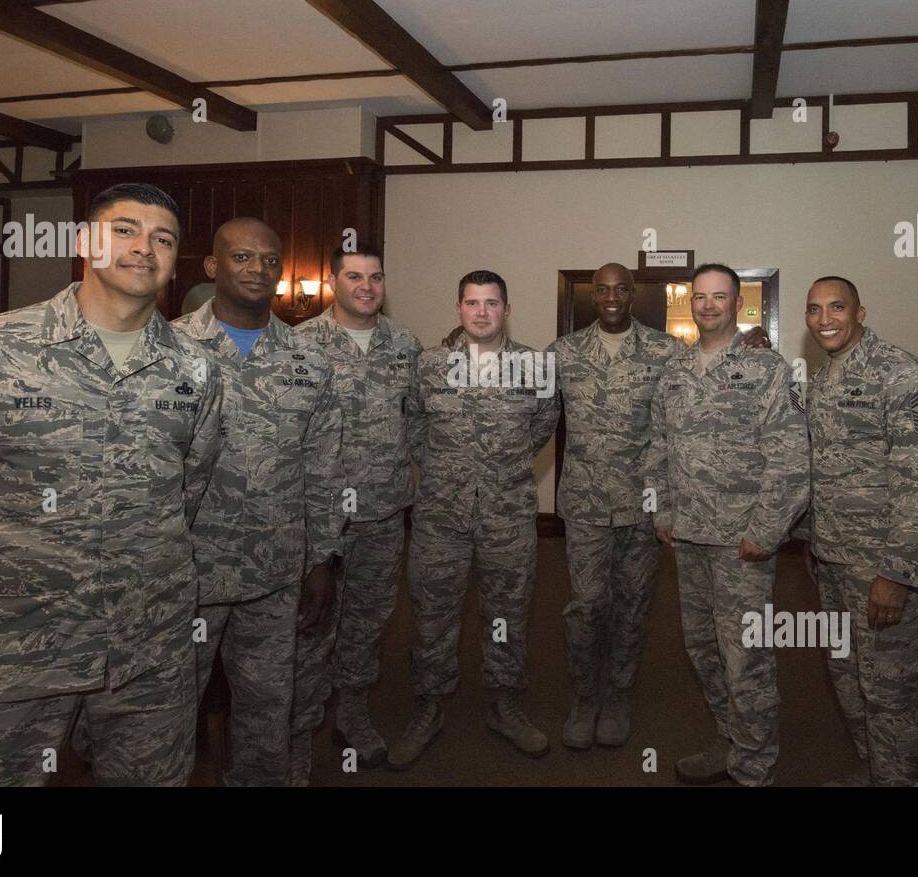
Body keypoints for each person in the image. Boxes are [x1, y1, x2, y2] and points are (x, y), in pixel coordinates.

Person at [0, 183, 223, 786]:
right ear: (84, 241)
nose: (145, 247)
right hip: (9, 642)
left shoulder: (195, 368)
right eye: (125, 230)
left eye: (162, 238)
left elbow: (189, 487)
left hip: (146, 646)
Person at [173, 217, 345, 787]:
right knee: (163, 717)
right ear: (212, 267)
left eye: (270, 260)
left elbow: (323, 468)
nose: (258, 269)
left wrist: (321, 559)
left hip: (276, 570)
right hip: (184, 573)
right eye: (242, 257)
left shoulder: (309, 361)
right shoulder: (166, 351)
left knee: (269, 714)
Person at [388, 270, 560, 769]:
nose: (481, 311)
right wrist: (447, 470)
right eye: (471, 302)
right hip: (441, 516)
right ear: (458, 309)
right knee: (432, 614)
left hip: (508, 517)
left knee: (507, 616)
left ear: (507, 309)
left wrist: (498, 470)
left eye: (491, 302)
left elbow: (542, 428)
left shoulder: (535, 367)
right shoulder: (430, 366)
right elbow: (414, 423)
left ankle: (505, 704)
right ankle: (430, 706)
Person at [646, 263, 809, 786]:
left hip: (741, 544)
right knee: (703, 649)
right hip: (688, 537)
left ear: (738, 305)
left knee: (746, 658)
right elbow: (657, 448)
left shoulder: (768, 369)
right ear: (690, 303)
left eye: (720, 297)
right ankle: (730, 739)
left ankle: (755, 766)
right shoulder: (674, 371)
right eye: (700, 297)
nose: (709, 305)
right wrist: (662, 511)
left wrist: (766, 531)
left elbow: (790, 459)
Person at [289, 242, 424, 783]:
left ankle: (352, 713)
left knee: (368, 621)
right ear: (332, 282)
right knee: (309, 625)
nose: (366, 286)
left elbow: (414, 421)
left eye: (375, 277)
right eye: (353, 276)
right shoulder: (300, 345)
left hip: (385, 511)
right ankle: (297, 730)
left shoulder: (404, 344)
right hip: (317, 515)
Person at [803, 275, 918, 786]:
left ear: (860, 312)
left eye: (837, 307)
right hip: (833, 559)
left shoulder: (901, 375)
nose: (825, 319)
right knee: (848, 681)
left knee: (890, 694)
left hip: (881, 566)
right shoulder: (820, 380)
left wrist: (897, 573)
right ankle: (875, 771)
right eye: (814, 309)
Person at [547, 262, 680, 748]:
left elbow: (699, 396)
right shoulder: (562, 353)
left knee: (632, 604)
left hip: (642, 504)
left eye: (619, 289)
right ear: (592, 294)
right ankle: (585, 696)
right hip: (584, 502)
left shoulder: (666, 352)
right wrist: (464, 344)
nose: (610, 297)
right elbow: (523, 399)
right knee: (586, 605)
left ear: (632, 294)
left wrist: (751, 344)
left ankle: (619, 693)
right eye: (601, 289)